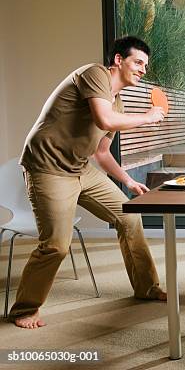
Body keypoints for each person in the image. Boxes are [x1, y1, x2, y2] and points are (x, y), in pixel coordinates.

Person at [9, 36, 168, 329]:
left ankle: (147, 288)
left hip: (81, 169)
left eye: (146, 65)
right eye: (138, 62)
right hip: (48, 168)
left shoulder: (117, 101)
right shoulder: (94, 74)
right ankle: (25, 308)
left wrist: (128, 181)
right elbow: (105, 120)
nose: (143, 69)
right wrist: (147, 117)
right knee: (56, 244)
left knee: (129, 218)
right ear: (118, 60)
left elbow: (102, 152)